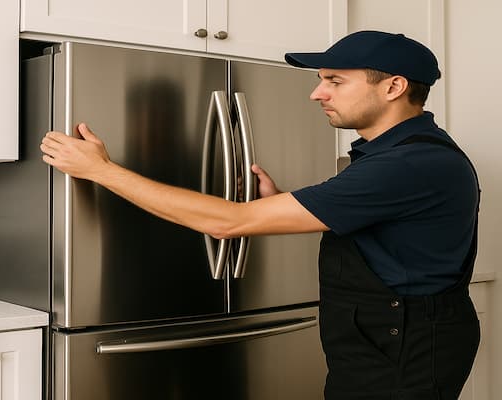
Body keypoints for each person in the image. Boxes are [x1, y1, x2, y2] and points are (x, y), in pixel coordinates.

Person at [40, 30, 480, 399]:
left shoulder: (405, 165)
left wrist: (100, 170)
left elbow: (227, 223)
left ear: (393, 87)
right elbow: (385, 236)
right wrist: (281, 200)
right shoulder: (399, 155)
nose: (316, 92)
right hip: (387, 339)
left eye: (335, 81)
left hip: (403, 348)